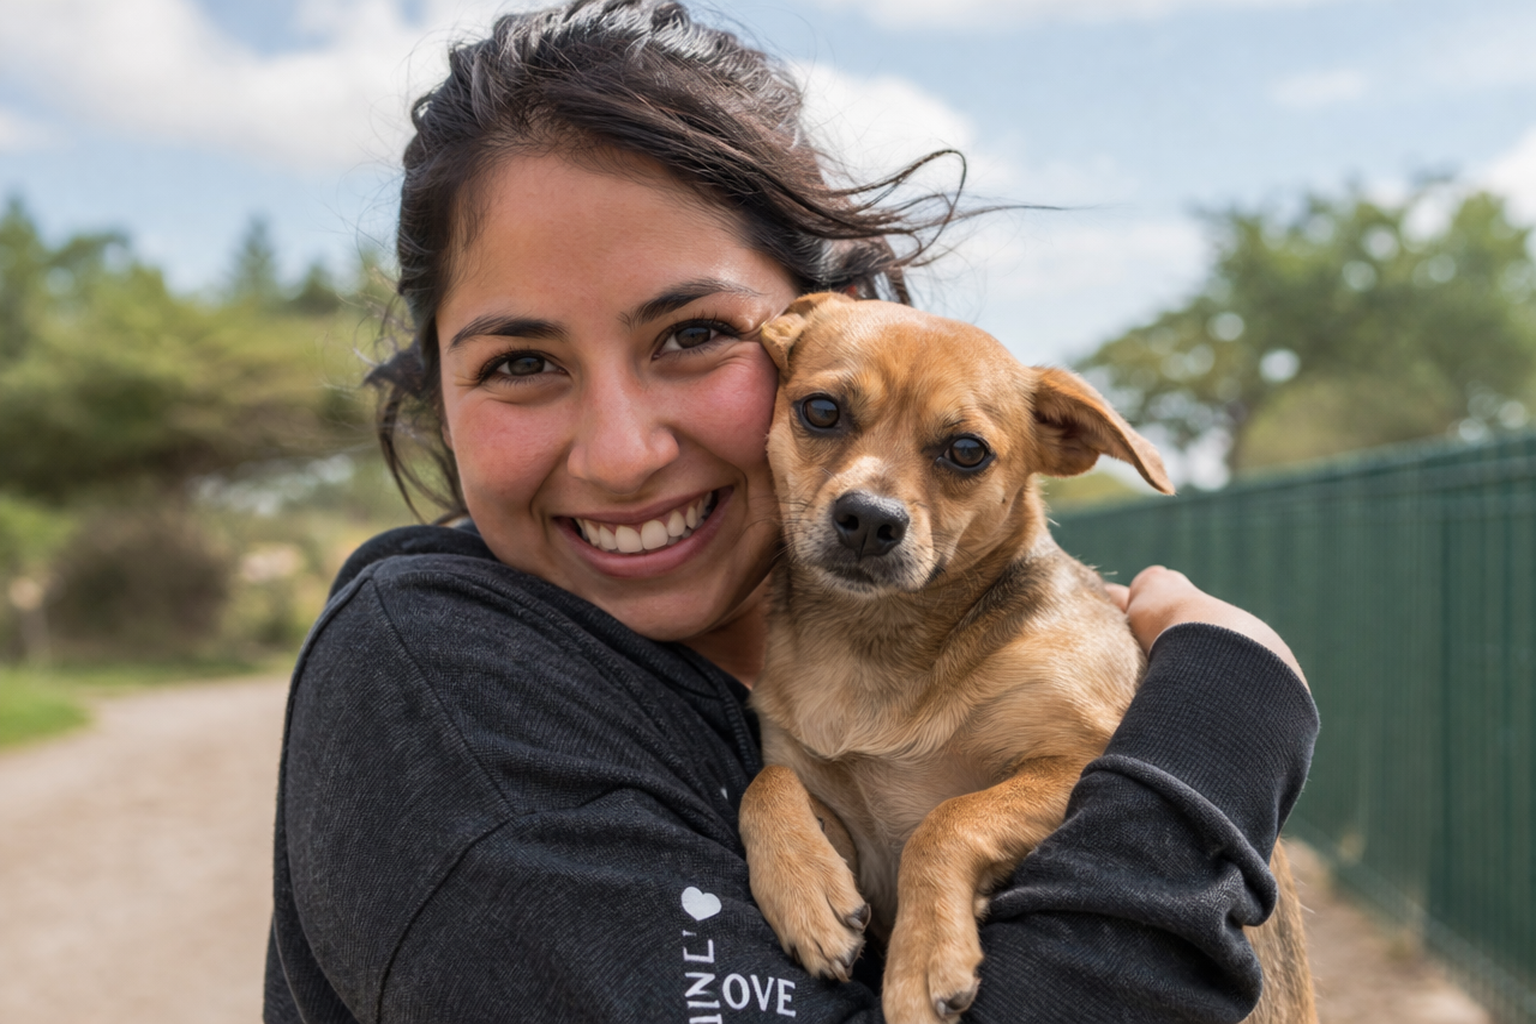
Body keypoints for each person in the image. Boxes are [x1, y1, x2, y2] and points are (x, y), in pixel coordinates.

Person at [263, 2, 1318, 1022]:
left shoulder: (894, 647)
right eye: (521, 361)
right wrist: (1224, 726)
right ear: (437, 390)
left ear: (823, 311)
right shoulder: (438, 692)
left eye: (691, 336)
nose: (624, 454)